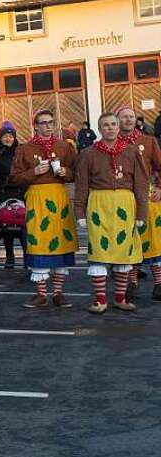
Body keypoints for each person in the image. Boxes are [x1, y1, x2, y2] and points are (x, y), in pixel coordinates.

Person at [75, 112, 148, 313]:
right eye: (105, 125)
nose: (110, 128)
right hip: (99, 203)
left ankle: (120, 297)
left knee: (124, 253)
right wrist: (80, 212)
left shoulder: (132, 151)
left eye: (113, 124)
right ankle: (100, 300)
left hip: (126, 205)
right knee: (99, 252)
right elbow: (82, 185)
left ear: (118, 127)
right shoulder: (88, 153)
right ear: (99, 129)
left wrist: (142, 214)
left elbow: (141, 184)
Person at [9, 109, 78, 308]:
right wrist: (34, 172)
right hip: (36, 197)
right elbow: (14, 177)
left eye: (50, 122)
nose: (48, 126)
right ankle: (41, 294)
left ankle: (58, 293)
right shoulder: (25, 148)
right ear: (36, 126)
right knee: (38, 241)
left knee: (60, 240)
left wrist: (66, 172)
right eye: (43, 123)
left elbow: (76, 172)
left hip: (58, 197)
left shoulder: (65, 146)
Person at [116, 107, 161, 300]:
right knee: (129, 239)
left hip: (149, 196)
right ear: (118, 120)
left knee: (155, 239)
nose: (128, 119)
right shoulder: (111, 143)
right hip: (124, 197)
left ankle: (159, 283)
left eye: (131, 116)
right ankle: (132, 283)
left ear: (136, 120)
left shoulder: (149, 141)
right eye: (124, 117)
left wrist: (160, 187)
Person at [0, 122, 25, 268]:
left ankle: (27, 255)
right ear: (0, 137)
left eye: (10, 136)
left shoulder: (21, 150)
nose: (8, 139)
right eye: (5, 136)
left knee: (21, 223)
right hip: (2, 192)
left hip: (20, 192)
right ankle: (9, 255)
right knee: (6, 223)